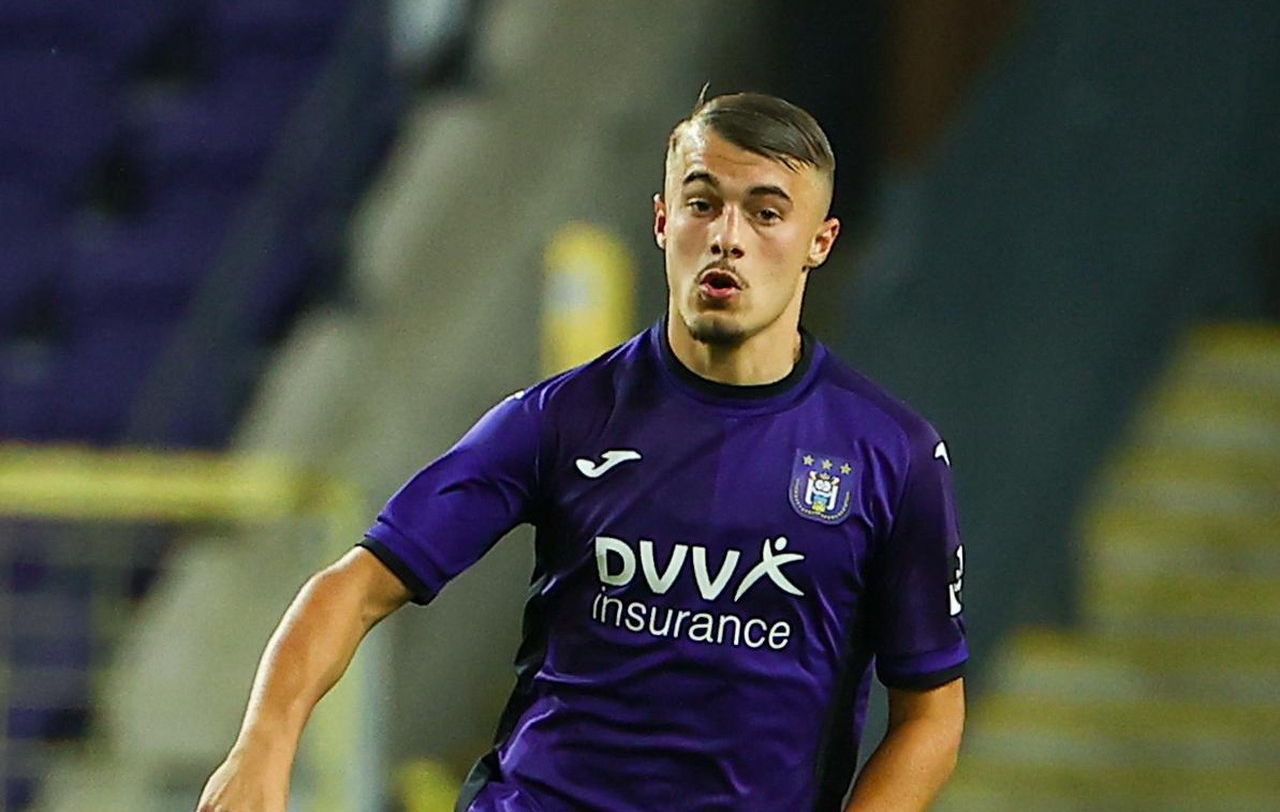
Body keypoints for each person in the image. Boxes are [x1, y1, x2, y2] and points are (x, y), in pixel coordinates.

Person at [198, 89, 967, 812]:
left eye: (767, 213)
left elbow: (930, 713)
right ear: (664, 220)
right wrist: (262, 745)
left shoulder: (891, 457)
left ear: (818, 242)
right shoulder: (560, 419)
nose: (727, 236)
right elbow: (357, 585)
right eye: (703, 204)